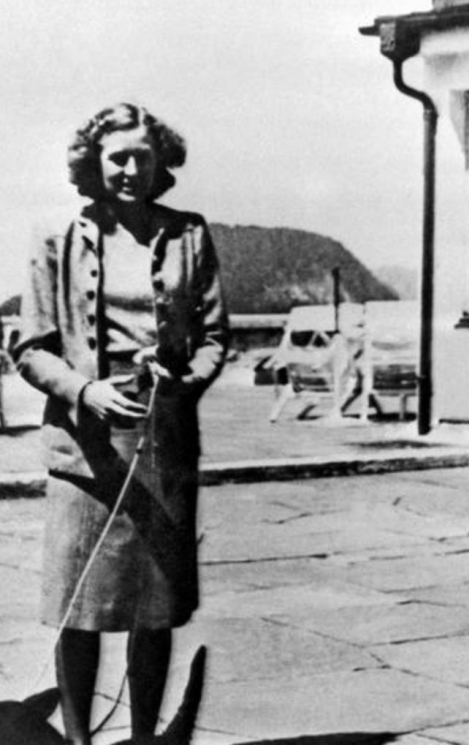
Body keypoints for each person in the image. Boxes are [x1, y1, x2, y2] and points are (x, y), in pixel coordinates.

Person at [14, 102, 228, 744]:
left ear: (162, 162)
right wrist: (85, 391)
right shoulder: (55, 237)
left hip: (162, 445)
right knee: (79, 610)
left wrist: (182, 380)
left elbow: (214, 338)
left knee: (153, 611)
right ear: (93, 163)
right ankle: (79, 740)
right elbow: (30, 347)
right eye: (118, 158)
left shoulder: (189, 234)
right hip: (83, 451)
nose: (132, 170)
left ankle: (143, 739)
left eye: (143, 156)